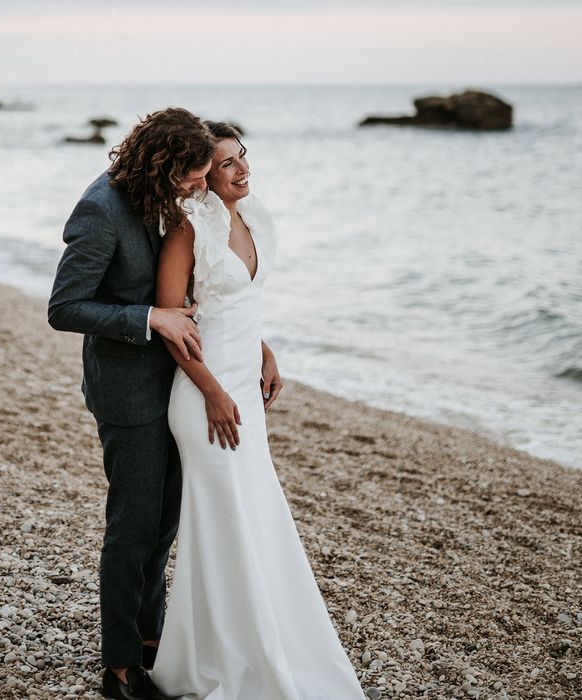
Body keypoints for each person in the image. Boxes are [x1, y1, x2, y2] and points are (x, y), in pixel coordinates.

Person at [149, 122, 366, 699]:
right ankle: (220, 660)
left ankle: (259, 640)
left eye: (242, 157)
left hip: (244, 383)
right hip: (203, 395)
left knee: (254, 512)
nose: (242, 169)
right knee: (221, 519)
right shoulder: (187, 228)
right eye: (225, 164)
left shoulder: (251, 216)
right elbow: (174, 326)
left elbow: (238, 301)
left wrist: (264, 351)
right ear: (202, 173)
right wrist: (214, 392)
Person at [48, 107, 216, 700]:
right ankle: (118, 666)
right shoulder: (100, 210)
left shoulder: (163, 196)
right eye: (192, 177)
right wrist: (150, 317)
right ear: (162, 165)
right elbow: (65, 308)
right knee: (132, 528)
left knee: (164, 522)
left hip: (173, 383)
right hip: (126, 390)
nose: (200, 186)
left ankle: (150, 640)